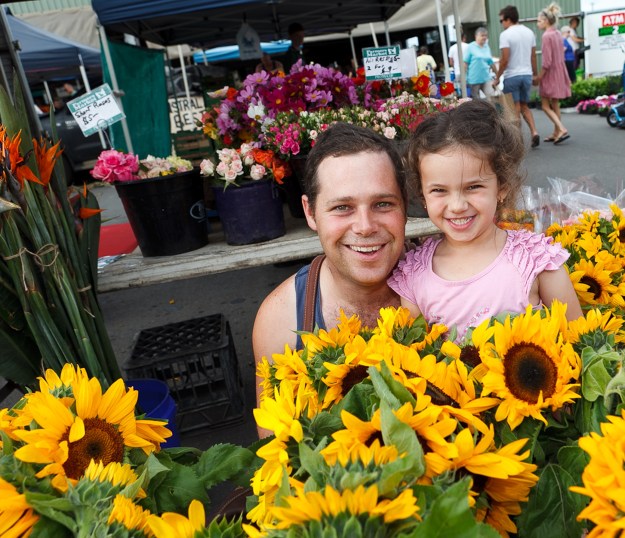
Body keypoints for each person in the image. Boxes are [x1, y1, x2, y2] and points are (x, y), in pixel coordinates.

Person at [387, 100, 582, 342]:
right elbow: (414, 358)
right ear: (423, 194)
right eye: (439, 190)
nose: (457, 206)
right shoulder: (414, 275)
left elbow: (580, 345)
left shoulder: (537, 262)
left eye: (473, 187)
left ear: (501, 188)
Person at [253, 123, 408, 420]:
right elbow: (277, 445)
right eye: (342, 207)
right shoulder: (281, 320)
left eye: (383, 204)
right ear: (310, 212)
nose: (365, 226)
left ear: (404, 207)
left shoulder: (448, 287)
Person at [494, 5, 540, 149]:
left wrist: (497, 77)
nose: (501, 24)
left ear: (508, 19)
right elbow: (533, 56)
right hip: (526, 75)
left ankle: (517, 141)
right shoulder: (529, 32)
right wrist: (535, 74)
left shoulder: (506, 35)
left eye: (502, 20)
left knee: (514, 109)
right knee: (524, 106)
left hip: (512, 76)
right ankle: (534, 132)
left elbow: (505, 59)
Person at [536, 4, 571, 144]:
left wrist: (539, 76)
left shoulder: (546, 36)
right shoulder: (557, 33)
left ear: (545, 21)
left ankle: (561, 129)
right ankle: (556, 132)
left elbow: (547, 62)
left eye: (539, 21)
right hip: (560, 71)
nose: (537, 23)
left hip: (550, 73)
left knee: (545, 105)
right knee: (555, 102)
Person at [464, 27, 496, 99]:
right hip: (474, 79)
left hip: (486, 78)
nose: (484, 37)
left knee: (492, 97)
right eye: (482, 35)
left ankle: (495, 110)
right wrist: (465, 77)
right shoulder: (471, 47)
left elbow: (491, 62)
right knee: (477, 101)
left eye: (485, 35)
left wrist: (497, 75)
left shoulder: (486, 47)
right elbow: (465, 63)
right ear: (476, 36)